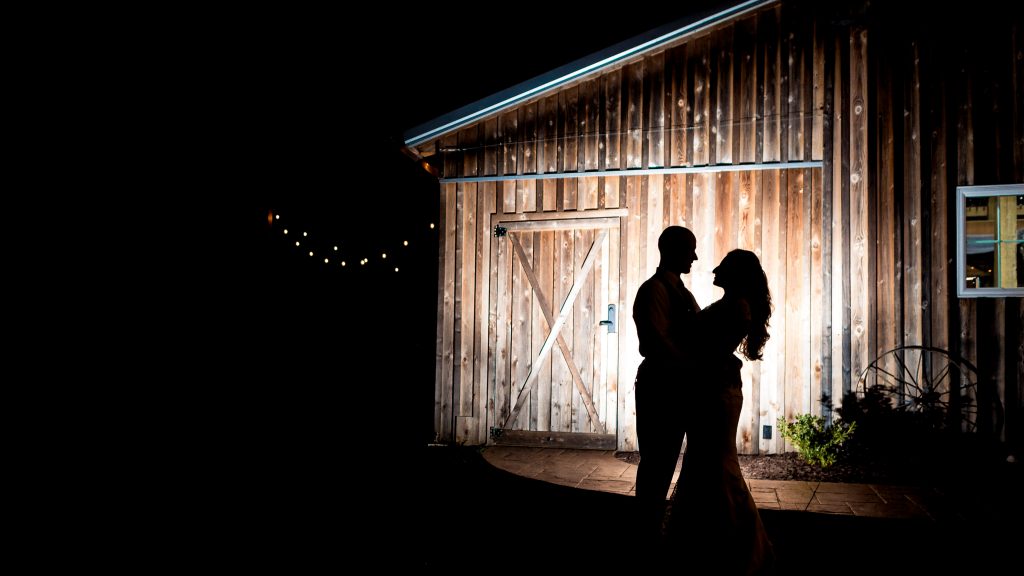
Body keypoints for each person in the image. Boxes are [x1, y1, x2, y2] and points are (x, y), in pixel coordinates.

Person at [665, 248, 775, 574]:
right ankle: (708, 543)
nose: (714, 268)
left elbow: (712, 348)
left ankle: (736, 547)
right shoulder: (731, 305)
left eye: (724, 266)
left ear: (737, 273)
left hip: (716, 395)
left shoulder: (738, 308)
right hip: (711, 390)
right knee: (704, 463)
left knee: (715, 464)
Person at [631, 226, 700, 544]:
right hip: (660, 387)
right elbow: (655, 341)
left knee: (668, 458)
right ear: (673, 250)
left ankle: (653, 525)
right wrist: (690, 365)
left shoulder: (682, 292)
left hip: (677, 388)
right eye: (690, 250)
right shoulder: (654, 291)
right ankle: (646, 529)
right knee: (657, 461)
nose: (695, 257)